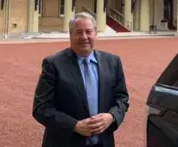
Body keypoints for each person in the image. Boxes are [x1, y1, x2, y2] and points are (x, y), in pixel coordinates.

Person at [32, 12, 129, 147]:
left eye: (88, 31)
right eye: (78, 32)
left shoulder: (112, 62)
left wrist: (111, 117)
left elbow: (122, 98)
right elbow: (41, 108)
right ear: (70, 36)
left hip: (103, 143)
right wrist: (74, 126)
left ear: (96, 34)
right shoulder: (54, 65)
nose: (84, 37)